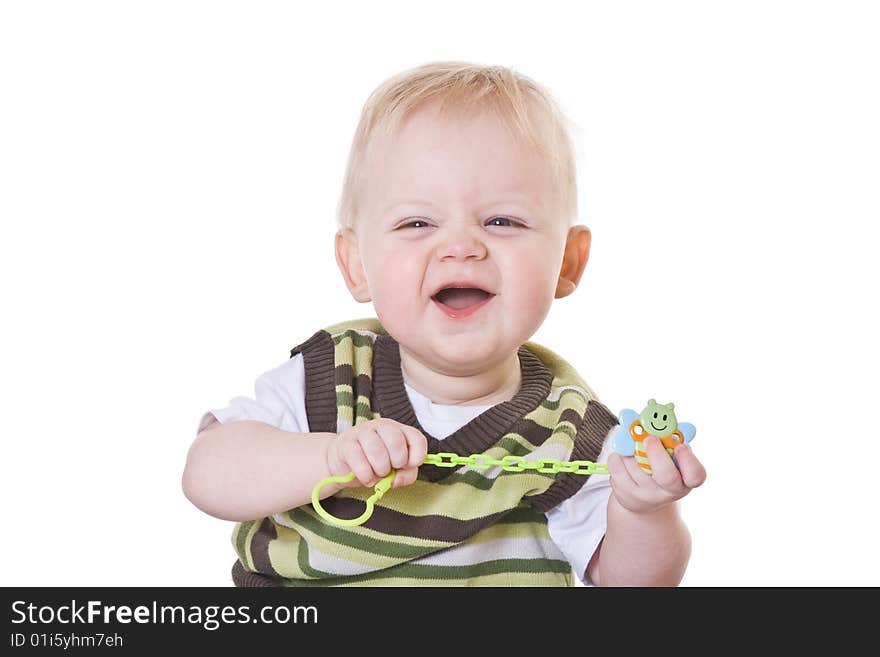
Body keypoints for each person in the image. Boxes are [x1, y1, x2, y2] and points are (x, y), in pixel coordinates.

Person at [182, 61, 707, 587]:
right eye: (417, 223)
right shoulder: (331, 377)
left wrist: (644, 512)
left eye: (503, 221)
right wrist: (330, 456)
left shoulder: (571, 430)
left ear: (567, 262)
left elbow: (638, 584)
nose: (460, 246)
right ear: (357, 264)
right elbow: (208, 473)